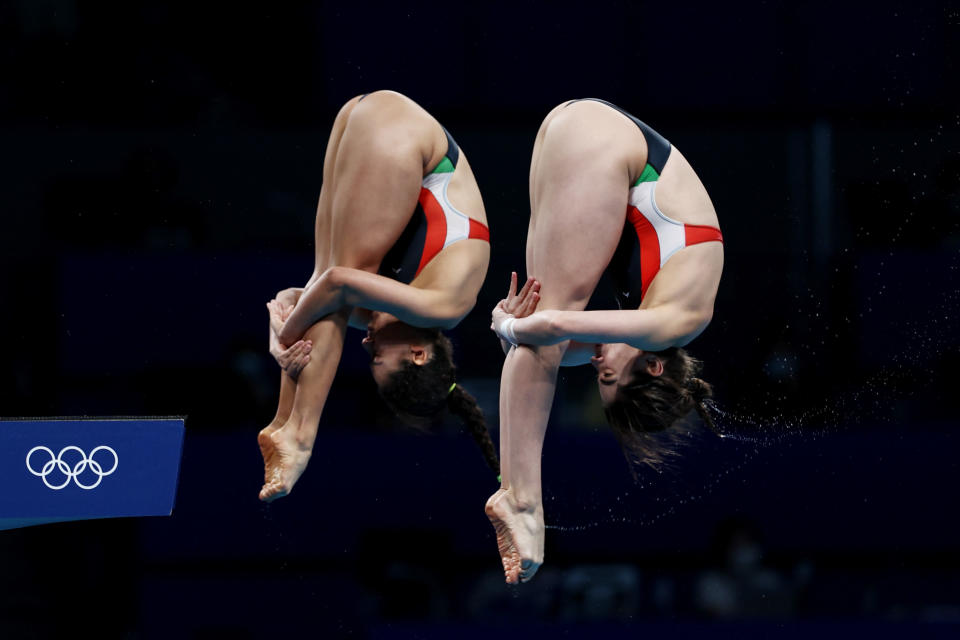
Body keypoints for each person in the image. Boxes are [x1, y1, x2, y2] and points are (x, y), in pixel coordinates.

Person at [487, 98, 724, 584]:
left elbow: (546, 342)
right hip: (603, 144)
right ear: (654, 367)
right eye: (609, 374)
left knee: (538, 336)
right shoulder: (677, 322)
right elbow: (551, 330)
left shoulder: (653, 325)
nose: (598, 362)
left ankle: (514, 490)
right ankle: (525, 500)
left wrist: (515, 332)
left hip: (575, 129)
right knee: (543, 333)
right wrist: (504, 327)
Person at [259, 90, 496, 502]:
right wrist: (283, 342)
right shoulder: (447, 304)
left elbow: (302, 295)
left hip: (361, 117)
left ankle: (282, 420)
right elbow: (335, 285)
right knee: (341, 280)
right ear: (419, 353)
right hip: (407, 134)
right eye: (376, 356)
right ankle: (301, 432)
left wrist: (281, 327)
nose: (366, 342)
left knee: (328, 281)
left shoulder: (383, 311)